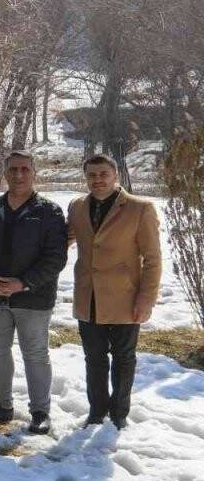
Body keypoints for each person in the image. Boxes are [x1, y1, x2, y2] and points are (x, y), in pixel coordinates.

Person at [0, 151, 67, 435]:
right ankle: (1, 405)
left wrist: (24, 283)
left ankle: (40, 411)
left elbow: (56, 258)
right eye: (13, 169)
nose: (18, 175)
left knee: (35, 354)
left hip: (33, 298)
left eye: (24, 169)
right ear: (5, 173)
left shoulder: (49, 212)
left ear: (34, 172)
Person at [68, 153, 162, 430]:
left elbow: (153, 259)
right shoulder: (76, 207)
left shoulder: (139, 209)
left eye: (103, 174)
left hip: (125, 298)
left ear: (115, 176)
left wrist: (147, 300)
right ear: (85, 178)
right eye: (92, 175)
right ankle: (97, 411)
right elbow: (65, 239)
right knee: (93, 359)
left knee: (123, 358)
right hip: (88, 297)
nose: (97, 180)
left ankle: (119, 413)